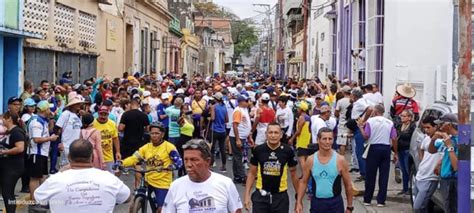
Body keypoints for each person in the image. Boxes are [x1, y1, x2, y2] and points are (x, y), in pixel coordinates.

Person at [34, 139, 130, 212]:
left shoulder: (54, 180)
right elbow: (127, 197)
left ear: (69, 157)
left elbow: (38, 198)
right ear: (92, 157)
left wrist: (61, 172)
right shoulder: (109, 178)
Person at [162, 139, 243, 213]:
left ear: (207, 161)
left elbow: (236, 211)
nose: (188, 165)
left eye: (194, 160)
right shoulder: (176, 186)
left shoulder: (226, 184)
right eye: (186, 160)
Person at [119, 122, 183, 212]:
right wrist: (121, 163)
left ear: (162, 134)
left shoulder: (169, 147)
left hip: (163, 183)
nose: (154, 136)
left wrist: (173, 166)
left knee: (161, 210)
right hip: (148, 180)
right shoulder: (146, 147)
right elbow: (134, 158)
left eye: (157, 133)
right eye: (152, 133)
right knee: (133, 207)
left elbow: (179, 161)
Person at [296, 127, 353, 213]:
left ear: (333, 140)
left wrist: (349, 207)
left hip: (335, 204)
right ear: (318, 140)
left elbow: (348, 185)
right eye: (324, 139)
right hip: (317, 204)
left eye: (330, 139)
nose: (327, 142)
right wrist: (299, 202)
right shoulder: (311, 160)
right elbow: (304, 182)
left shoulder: (340, 160)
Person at [244, 123, 298, 213]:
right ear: (266, 134)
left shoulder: (287, 151)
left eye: (276, 133)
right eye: (270, 132)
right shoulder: (258, 150)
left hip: (280, 197)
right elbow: (252, 173)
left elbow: (294, 175)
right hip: (261, 196)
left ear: (281, 135)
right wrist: (246, 195)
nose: (273, 135)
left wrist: (298, 199)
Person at [358, 104, 398, 207]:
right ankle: (381, 200)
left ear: (375, 112)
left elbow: (366, 136)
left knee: (370, 175)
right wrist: (395, 152)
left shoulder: (370, 122)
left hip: (373, 147)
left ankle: (367, 199)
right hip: (385, 148)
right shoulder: (390, 122)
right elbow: (394, 138)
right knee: (384, 175)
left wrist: (360, 128)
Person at [27, 101, 59, 200]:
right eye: (49, 109)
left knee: (42, 177)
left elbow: (47, 132)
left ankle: (40, 200)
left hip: (42, 154)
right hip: (36, 154)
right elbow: (36, 139)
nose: (50, 111)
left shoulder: (43, 120)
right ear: (44, 110)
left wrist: (51, 120)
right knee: (35, 178)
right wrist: (51, 139)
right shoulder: (36, 122)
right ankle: (33, 201)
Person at [428, 113, 458, 213]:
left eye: (441, 124)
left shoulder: (458, 141)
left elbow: (456, 166)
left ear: (448, 125)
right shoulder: (448, 138)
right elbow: (431, 150)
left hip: (453, 180)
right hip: (445, 179)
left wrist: (450, 146)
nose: (439, 127)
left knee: (451, 208)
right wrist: (433, 139)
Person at [413, 116, 442, 213]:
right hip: (420, 175)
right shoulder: (426, 139)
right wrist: (422, 161)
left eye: (428, 128)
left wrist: (438, 164)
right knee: (421, 207)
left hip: (430, 177)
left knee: (418, 207)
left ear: (436, 127)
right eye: (424, 128)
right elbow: (421, 148)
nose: (426, 130)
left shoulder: (441, 141)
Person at [0, 111, 26, 213]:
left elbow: (20, 148)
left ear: (9, 119)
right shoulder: (9, 132)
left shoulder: (16, 132)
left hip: (13, 167)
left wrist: (4, 152)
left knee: (8, 193)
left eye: (3, 118)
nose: (2, 120)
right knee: (6, 193)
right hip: (7, 166)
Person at [55, 93, 84, 167]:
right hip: (66, 146)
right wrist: (59, 143)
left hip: (76, 146)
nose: (79, 105)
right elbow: (57, 128)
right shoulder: (65, 114)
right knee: (66, 167)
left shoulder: (78, 116)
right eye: (77, 104)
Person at [229, 95, 253, 184]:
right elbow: (235, 125)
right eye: (246, 101)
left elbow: (246, 124)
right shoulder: (238, 111)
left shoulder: (244, 110)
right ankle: (242, 176)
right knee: (239, 157)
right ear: (241, 102)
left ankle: (237, 176)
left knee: (237, 157)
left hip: (242, 136)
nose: (248, 102)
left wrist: (249, 137)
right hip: (237, 136)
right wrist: (238, 139)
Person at [350, 88, 372, 182]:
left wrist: (363, 120)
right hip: (357, 127)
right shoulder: (361, 101)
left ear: (354, 96)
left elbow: (370, 108)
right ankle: (364, 172)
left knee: (360, 151)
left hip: (359, 128)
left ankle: (364, 173)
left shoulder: (360, 102)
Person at [93, 105, 121, 173]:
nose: (103, 116)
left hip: (108, 156)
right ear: (98, 113)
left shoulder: (112, 124)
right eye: (101, 114)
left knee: (110, 176)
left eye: (105, 114)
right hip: (96, 156)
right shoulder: (93, 124)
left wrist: (117, 152)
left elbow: (115, 138)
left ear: (108, 114)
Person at [395, 109, 416, 195]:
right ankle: (405, 188)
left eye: (404, 116)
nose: (402, 118)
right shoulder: (400, 125)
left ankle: (410, 188)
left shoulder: (412, 127)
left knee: (408, 170)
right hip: (400, 149)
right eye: (401, 116)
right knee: (403, 169)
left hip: (407, 149)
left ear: (409, 117)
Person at [208, 92, 228, 172]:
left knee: (212, 148)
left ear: (216, 99)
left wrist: (210, 117)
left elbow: (212, 118)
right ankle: (224, 166)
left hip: (215, 129)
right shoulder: (224, 107)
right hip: (222, 130)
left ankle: (210, 165)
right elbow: (227, 120)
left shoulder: (214, 106)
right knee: (222, 148)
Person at [290, 101, 312, 172]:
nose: (297, 110)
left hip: (302, 141)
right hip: (308, 141)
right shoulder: (308, 117)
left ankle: (304, 176)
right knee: (306, 159)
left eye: (298, 108)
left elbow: (298, 131)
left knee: (302, 159)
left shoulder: (301, 118)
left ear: (301, 109)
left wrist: (292, 139)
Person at [335, 86, 352, 155]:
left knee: (342, 142)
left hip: (342, 123)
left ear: (343, 92)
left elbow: (336, 112)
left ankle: (342, 159)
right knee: (352, 142)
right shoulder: (352, 101)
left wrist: (339, 116)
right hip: (351, 123)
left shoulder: (340, 101)